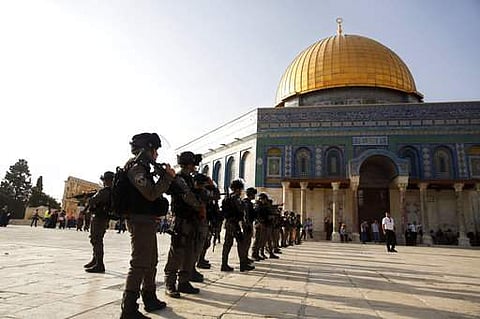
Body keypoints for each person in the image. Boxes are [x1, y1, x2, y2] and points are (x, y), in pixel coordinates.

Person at [120, 132, 176, 319]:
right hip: (139, 221)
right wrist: (167, 178)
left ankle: (149, 297)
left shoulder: (143, 166)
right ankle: (128, 309)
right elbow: (150, 194)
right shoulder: (136, 168)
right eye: (154, 150)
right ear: (147, 149)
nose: (156, 155)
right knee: (139, 263)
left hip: (147, 220)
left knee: (151, 261)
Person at [164, 151, 206, 298]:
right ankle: (170, 283)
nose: (195, 166)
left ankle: (184, 281)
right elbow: (188, 197)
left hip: (191, 220)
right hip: (181, 220)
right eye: (194, 163)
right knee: (177, 252)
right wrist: (199, 205)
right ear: (189, 164)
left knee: (189, 252)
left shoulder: (189, 178)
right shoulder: (179, 178)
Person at [221, 179, 255, 272]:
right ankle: (243, 264)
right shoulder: (236, 198)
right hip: (234, 224)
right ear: (237, 189)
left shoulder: (227, 198)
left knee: (227, 244)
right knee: (241, 243)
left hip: (229, 223)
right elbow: (240, 211)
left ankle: (224, 264)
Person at [84, 171, 114, 273]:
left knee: (96, 239)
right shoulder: (112, 191)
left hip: (99, 218)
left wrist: (88, 198)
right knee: (97, 239)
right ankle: (95, 260)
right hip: (105, 218)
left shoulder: (105, 191)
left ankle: (99, 264)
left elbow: (92, 201)